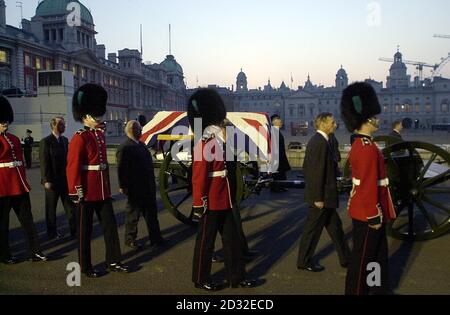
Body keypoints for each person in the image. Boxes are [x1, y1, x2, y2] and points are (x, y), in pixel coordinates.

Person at [189, 88, 255, 291]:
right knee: (205, 243)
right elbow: (199, 177)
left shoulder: (218, 141)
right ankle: (200, 278)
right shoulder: (205, 143)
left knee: (232, 241)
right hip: (211, 199)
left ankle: (237, 276)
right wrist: (199, 203)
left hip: (223, 197)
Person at [67, 83, 129, 278]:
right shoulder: (80, 138)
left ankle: (114, 260)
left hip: (101, 190)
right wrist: (76, 191)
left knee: (110, 228)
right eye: (95, 115)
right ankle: (85, 266)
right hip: (86, 191)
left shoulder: (99, 136)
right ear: (85, 116)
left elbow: (102, 166)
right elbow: (73, 167)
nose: (99, 118)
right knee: (85, 233)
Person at [340, 82, 397, 295]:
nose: (378, 120)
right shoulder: (365, 148)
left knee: (376, 255)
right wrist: (373, 215)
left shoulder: (367, 144)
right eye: (374, 116)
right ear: (366, 120)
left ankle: (376, 288)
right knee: (362, 258)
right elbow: (366, 186)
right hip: (368, 212)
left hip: (375, 208)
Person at [297, 113, 350, 272]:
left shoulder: (321, 141)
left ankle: (346, 258)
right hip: (322, 197)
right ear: (323, 124)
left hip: (326, 195)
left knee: (336, 228)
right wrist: (318, 198)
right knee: (312, 231)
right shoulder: (319, 143)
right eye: (333, 122)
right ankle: (304, 261)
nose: (335, 124)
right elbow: (314, 172)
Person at [0, 96, 48, 264]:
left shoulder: (13, 138)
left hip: (18, 185)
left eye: (5, 120)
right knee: (2, 225)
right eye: (2, 121)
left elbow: (19, 161)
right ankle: (4, 255)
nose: (4, 123)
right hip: (2, 187)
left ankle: (35, 251)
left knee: (28, 221)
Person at [116, 120, 165, 250]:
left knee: (151, 215)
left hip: (147, 186)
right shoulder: (125, 147)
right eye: (139, 129)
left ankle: (156, 238)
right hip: (135, 187)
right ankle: (130, 239)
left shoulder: (141, 145)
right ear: (132, 130)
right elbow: (121, 169)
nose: (142, 131)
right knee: (133, 215)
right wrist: (123, 186)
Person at [39, 117, 76, 239]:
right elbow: (44, 162)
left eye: (64, 124)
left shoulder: (65, 140)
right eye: (61, 125)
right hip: (52, 181)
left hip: (65, 180)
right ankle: (52, 232)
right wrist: (46, 180)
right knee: (51, 209)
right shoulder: (46, 141)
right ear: (54, 126)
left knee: (70, 207)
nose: (64, 127)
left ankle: (74, 231)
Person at [271, 115, 291, 192]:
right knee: (278, 172)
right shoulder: (274, 131)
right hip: (277, 156)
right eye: (279, 121)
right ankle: (277, 187)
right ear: (273, 122)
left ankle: (281, 186)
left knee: (281, 172)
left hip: (280, 155)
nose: (281, 122)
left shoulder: (276, 131)